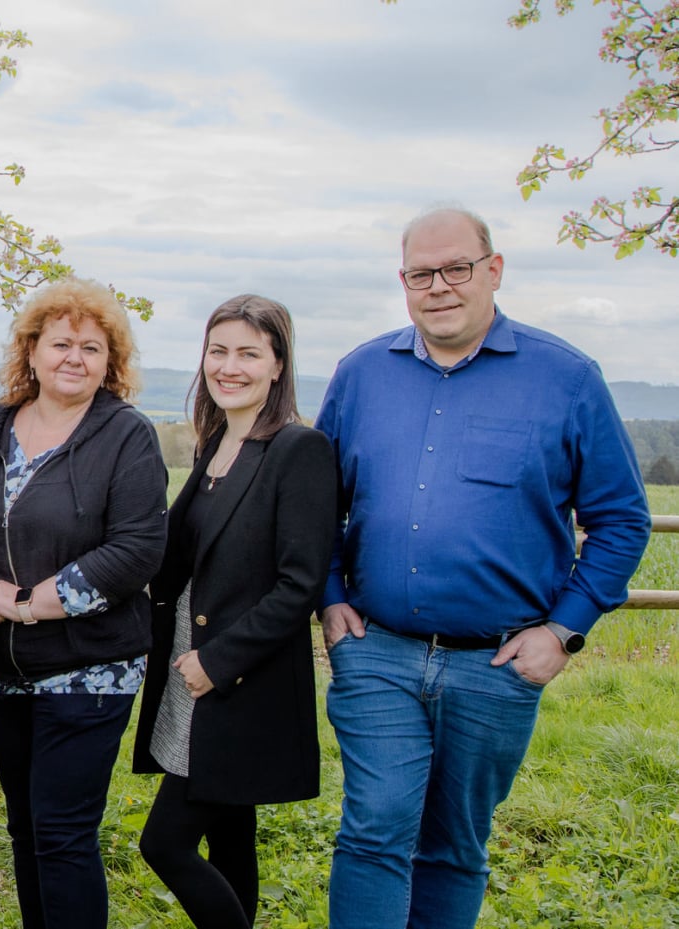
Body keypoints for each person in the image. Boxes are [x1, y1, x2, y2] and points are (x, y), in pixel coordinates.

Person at [315, 206, 650, 929]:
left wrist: (562, 630)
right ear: (401, 281)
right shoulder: (361, 374)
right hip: (377, 650)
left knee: (453, 845)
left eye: (455, 268)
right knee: (374, 826)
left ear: (492, 270)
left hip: (496, 663)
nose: (437, 286)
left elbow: (622, 519)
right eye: (419, 273)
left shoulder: (565, 378)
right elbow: (315, 506)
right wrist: (329, 594)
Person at [0, 277, 167, 929]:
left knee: (62, 832)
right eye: (61, 342)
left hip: (89, 668)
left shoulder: (125, 434)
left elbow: (135, 549)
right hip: (3, 667)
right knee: (24, 828)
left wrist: (26, 602)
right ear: (32, 349)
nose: (74, 357)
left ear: (110, 362)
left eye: (92, 347)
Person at [129, 295, 336, 928]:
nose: (229, 366)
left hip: (235, 679)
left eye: (249, 353)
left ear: (278, 364)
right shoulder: (216, 443)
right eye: (218, 351)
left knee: (163, 843)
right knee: (231, 837)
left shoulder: (298, 450)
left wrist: (216, 664)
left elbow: (299, 584)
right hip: (188, 671)